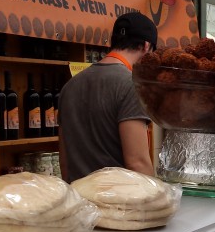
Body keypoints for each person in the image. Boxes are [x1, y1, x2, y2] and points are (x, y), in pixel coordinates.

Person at [59, 12, 157, 182]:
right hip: (117, 203)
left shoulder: (69, 87)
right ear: (146, 46)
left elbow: (65, 163)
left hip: (79, 200)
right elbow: (137, 163)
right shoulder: (131, 85)